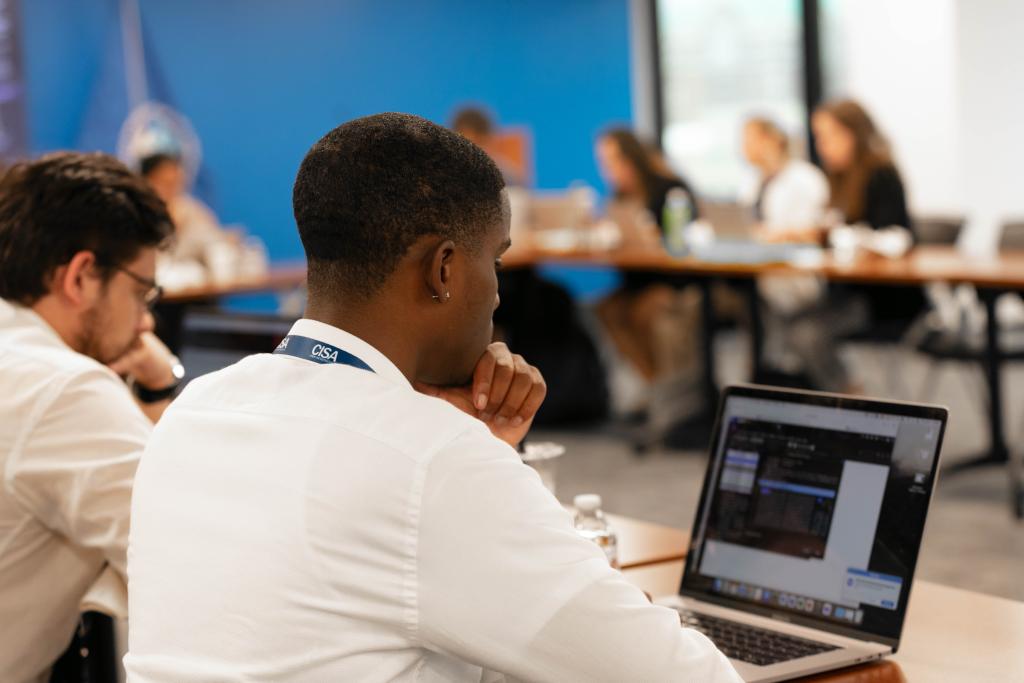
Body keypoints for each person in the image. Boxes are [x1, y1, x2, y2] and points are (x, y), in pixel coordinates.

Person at [125, 113, 740, 681]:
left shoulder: (191, 413)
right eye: (494, 262)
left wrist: (477, 451)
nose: (497, 295)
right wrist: (472, 461)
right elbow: (672, 673)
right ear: (443, 271)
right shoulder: (429, 460)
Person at [0, 152, 180, 682]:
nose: (146, 319)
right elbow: (189, 542)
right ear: (80, 277)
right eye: (141, 290)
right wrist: (164, 380)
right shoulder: (62, 390)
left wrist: (151, 382)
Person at [593, 128, 707, 440]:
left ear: (632, 158)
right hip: (637, 282)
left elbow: (686, 244)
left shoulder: (669, 189)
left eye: (614, 160)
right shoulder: (619, 199)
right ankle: (657, 388)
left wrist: (653, 240)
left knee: (643, 311)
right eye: (604, 162)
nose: (609, 169)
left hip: (674, 282)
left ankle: (669, 399)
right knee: (606, 309)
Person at [139, 152, 228, 265]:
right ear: (145, 181)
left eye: (176, 183)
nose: (172, 190)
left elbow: (214, 243)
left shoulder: (193, 211)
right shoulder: (136, 213)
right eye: (164, 183)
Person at [450, 105, 524, 185]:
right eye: (466, 146)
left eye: (479, 145)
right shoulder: (447, 173)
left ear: (491, 141)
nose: (474, 154)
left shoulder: (506, 176)